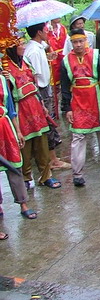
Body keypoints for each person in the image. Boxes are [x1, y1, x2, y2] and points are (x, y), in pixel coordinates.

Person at [60, 29, 100, 187]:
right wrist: (67, 109)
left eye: (81, 41)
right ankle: (77, 173)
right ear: (71, 43)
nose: (78, 45)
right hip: (77, 101)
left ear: (85, 40)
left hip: (96, 98)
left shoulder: (96, 56)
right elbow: (65, 88)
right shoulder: (66, 61)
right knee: (78, 137)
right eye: (75, 42)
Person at [3, 35, 60, 190]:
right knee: (25, 147)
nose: (23, 46)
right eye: (20, 44)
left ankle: (46, 175)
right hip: (20, 109)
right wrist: (5, 78)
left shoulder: (26, 62)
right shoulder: (5, 67)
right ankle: (27, 177)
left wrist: (42, 104)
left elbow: (34, 84)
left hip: (35, 106)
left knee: (42, 143)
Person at [23, 22, 67, 170]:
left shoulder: (37, 47)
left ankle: (50, 157)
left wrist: (48, 56)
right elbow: (35, 74)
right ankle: (52, 160)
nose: (47, 32)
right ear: (39, 32)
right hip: (40, 89)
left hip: (43, 86)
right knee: (48, 122)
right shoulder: (34, 51)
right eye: (45, 30)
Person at [0, 72, 38, 230]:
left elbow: (9, 108)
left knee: (14, 166)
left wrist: (18, 131)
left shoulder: (2, 79)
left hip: (5, 127)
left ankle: (23, 203)